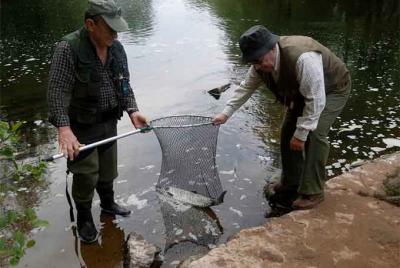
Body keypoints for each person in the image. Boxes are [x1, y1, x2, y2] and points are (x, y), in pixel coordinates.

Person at [213, 25, 351, 210]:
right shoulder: (259, 65)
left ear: (272, 48)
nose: (258, 66)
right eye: (253, 62)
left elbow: (316, 99)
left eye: (260, 60)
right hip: (303, 92)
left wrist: (301, 134)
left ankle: (313, 192)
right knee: (287, 132)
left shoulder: (303, 58)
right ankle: (291, 181)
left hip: (332, 88)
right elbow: (246, 87)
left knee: (315, 134)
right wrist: (225, 113)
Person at [47, 0, 147, 243]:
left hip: (108, 121)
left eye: (117, 28)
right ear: (90, 24)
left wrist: (133, 111)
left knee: (108, 169)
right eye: (110, 28)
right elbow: (57, 91)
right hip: (80, 127)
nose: (116, 33)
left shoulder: (117, 48)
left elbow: (123, 84)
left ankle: (108, 204)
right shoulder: (68, 48)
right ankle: (84, 216)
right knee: (86, 173)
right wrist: (64, 129)